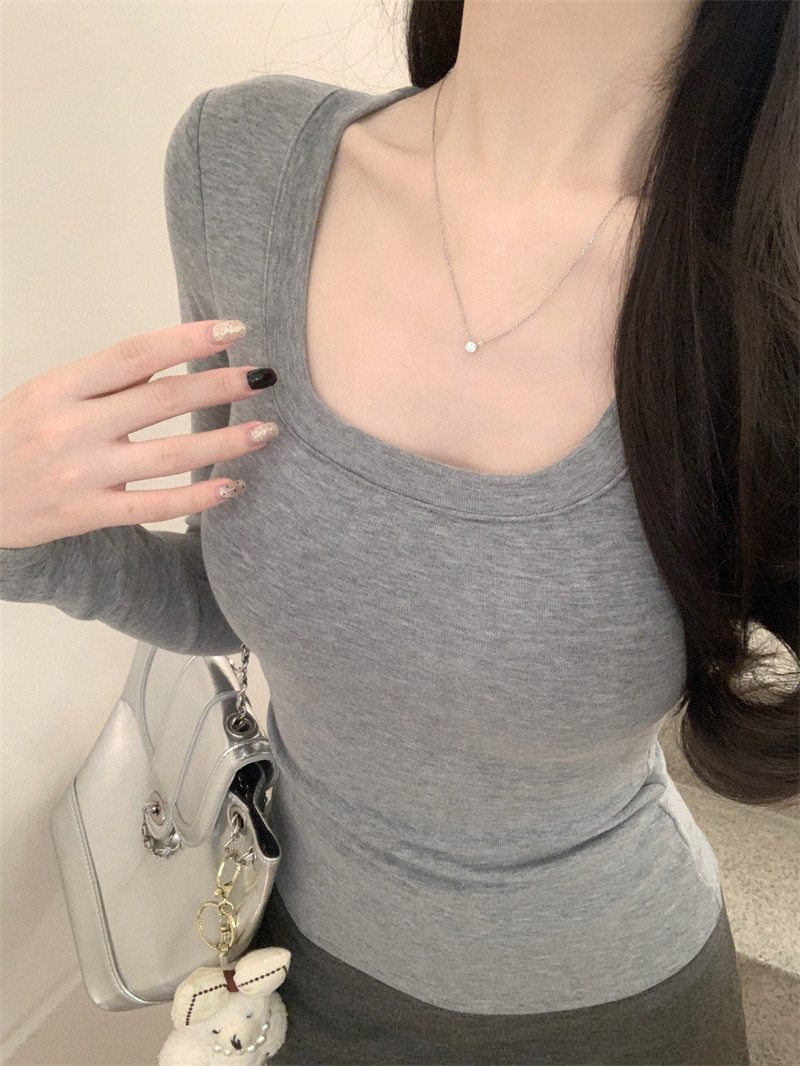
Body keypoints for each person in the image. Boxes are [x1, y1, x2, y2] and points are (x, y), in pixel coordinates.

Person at [2, 1, 797, 1062]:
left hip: (610, 1012)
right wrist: (17, 531)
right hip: (289, 977)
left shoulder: (760, 286)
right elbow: (241, 592)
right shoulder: (236, 167)